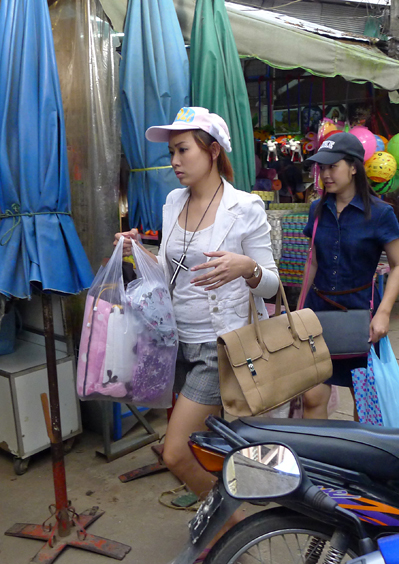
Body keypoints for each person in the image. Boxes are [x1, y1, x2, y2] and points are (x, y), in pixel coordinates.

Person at [114, 107, 279, 547]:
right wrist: (138, 249)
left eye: (182, 149)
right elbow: (176, 266)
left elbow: (273, 284)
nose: (174, 160)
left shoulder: (244, 207)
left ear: (212, 150)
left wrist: (247, 268)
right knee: (205, 448)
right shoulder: (172, 203)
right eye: (171, 152)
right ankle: (225, 520)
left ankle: (237, 529)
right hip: (177, 342)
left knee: (174, 452)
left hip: (219, 347)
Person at [299, 132, 399, 419]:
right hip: (319, 311)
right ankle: (318, 459)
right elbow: (313, 262)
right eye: (322, 168)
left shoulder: (381, 213)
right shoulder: (317, 209)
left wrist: (383, 314)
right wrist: (298, 310)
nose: (325, 174)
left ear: (354, 167)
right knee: (312, 396)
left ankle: (358, 458)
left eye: (333, 166)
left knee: (365, 400)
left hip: (361, 313)